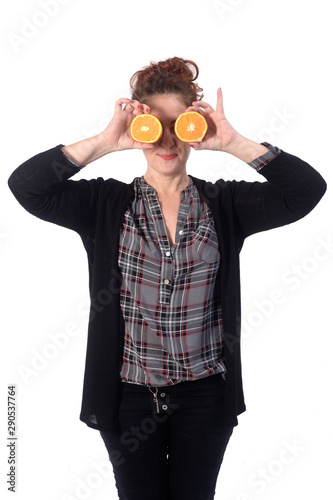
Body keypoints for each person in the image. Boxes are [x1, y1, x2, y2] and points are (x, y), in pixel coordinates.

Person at [8, 57, 326, 500]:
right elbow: (27, 187)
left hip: (206, 397)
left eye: (180, 125)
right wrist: (105, 141)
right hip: (128, 397)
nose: (168, 139)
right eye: (154, 126)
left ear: (196, 128)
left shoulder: (225, 204)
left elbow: (306, 191)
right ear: (139, 130)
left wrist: (232, 142)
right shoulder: (105, 202)